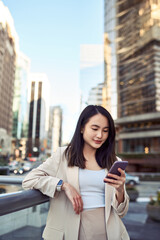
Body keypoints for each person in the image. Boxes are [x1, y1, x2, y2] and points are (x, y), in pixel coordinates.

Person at [22, 105, 130, 240]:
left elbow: (121, 212)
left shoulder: (114, 160)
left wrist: (120, 190)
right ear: (82, 128)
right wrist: (64, 185)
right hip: (71, 229)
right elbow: (29, 180)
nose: (100, 135)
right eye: (95, 129)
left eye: (105, 130)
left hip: (109, 231)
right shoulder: (63, 155)